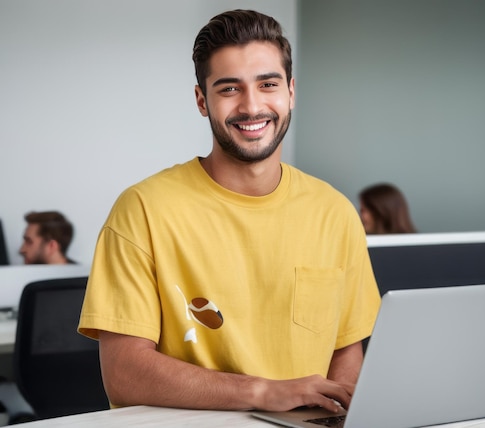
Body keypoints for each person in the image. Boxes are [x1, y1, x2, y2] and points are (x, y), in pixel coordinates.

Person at [78, 9, 381, 413]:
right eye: (229, 89)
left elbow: (346, 348)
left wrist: (338, 410)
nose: (252, 106)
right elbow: (124, 374)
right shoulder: (143, 210)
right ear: (202, 100)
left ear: (290, 92)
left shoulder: (335, 212)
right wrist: (263, 393)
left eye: (267, 84)